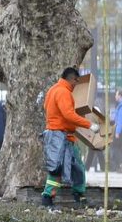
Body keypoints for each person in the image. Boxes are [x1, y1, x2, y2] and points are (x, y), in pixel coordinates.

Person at [41, 67, 96, 207]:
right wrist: (89, 124)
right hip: (60, 135)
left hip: (59, 135)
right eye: (76, 82)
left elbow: (46, 107)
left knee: (73, 166)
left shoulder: (53, 89)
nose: (76, 85)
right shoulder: (63, 92)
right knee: (59, 168)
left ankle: (77, 194)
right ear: (72, 79)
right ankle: (49, 197)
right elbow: (69, 115)